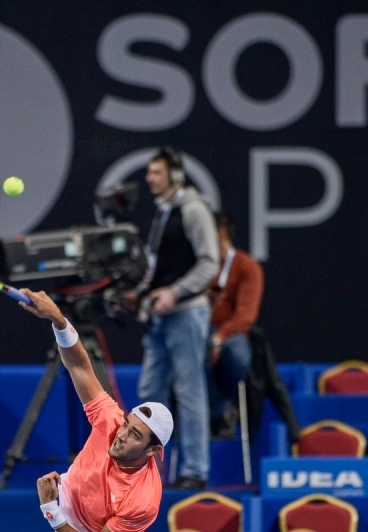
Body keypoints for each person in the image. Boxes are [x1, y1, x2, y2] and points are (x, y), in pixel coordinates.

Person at [22, 288, 174, 532]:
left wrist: (51, 510)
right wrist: (58, 319)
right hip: (67, 503)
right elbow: (79, 366)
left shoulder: (142, 502)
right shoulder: (111, 420)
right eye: (127, 424)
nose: (121, 435)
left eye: (135, 435)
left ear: (153, 450)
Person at [122, 147, 219, 490]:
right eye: (149, 172)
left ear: (175, 175)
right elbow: (160, 266)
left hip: (187, 313)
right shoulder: (163, 211)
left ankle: (195, 470)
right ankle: (149, 472)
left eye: (157, 172)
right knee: (149, 390)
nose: (149, 178)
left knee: (190, 392)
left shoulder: (193, 209)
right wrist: (142, 292)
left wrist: (175, 292)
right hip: (159, 316)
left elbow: (210, 263)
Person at [206, 211, 264, 438]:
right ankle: (220, 412)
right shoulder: (199, 265)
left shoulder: (247, 266)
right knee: (188, 356)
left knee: (238, 356)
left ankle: (217, 411)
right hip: (197, 330)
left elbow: (246, 314)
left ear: (220, 233)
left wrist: (219, 337)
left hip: (231, 333)